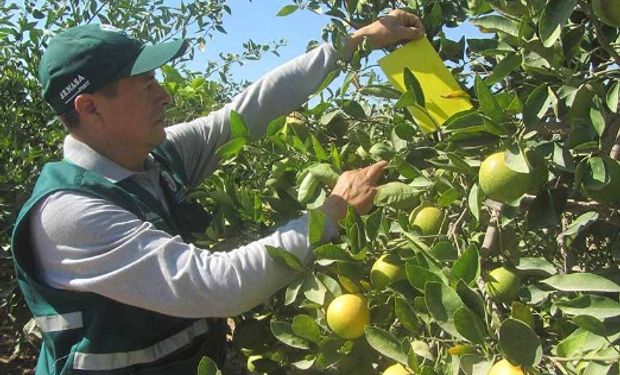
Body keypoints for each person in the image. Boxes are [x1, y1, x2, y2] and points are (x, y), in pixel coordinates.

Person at [11, 9, 425, 374]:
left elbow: (246, 112)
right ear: (91, 108)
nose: (166, 96)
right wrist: (331, 214)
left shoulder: (156, 158)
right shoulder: (69, 215)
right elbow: (219, 286)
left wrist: (354, 41)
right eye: (146, 85)